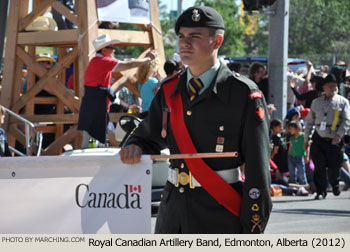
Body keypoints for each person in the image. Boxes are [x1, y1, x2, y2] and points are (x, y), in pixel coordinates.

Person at [120, 6, 272, 234]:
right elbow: (148, 135)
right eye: (181, 36)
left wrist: (254, 223)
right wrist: (134, 144)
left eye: (194, 36)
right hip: (173, 212)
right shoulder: (169, 90)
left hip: (220, 211)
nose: (184, 43)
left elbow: (257, 167)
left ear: (217, 41)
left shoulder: (243, 94)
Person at [78, 34, 157, 148]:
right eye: (111, 47)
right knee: (96, 134)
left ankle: (88, 154)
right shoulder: (103, 61)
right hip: (97, 104)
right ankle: (91, 156)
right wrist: (148, 59)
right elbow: (129, 64)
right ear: (104, 50)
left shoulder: (96, 61)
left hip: (92, 103)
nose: (114, 49)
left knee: (91, 134)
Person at [304, 73, 350, 200]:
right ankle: (320, 191)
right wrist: (306, 139)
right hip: (319, 138)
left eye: (335, 86)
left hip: (335, 140)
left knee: (334, 168)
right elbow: (309, 122)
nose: (333, 88)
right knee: (319, 166)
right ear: (323, 87)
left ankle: (335, 183)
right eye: (330, 86)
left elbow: (347, 121)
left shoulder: (342, 102)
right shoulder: (316, 102)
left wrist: (339, 135)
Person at [288, 120, 308, 185]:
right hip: (291, 157)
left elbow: (307, 147)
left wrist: (306, 156)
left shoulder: (303, 136)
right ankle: (292, 188)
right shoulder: (291, 138)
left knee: (301, 174)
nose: (290, 130)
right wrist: (289, 154)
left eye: (291, 128)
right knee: (292, 174)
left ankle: (304, 186)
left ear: (297, 128)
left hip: (300, 157)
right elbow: (290, 146)